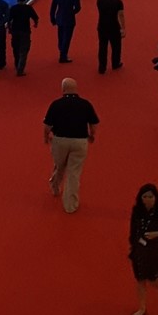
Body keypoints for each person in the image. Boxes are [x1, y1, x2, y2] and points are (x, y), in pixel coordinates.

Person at [43, 77, 99, 214]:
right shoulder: (85, 104)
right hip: (79, 142)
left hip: (60, 140)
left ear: (63, 89)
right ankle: (70, 205)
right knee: (74, 173)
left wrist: (46, 137)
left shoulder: (56, 104)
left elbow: (47, 125)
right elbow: (93, 123)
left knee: (59, 165)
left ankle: (55, 186)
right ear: (76, 89)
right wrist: (92, 135)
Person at [127, 184, 158, 315]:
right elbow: (133, 230)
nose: (147, 199)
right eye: (145, 197)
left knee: (153, 280)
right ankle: (142, 308)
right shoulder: (137, 211)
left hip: (155, 251)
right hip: (140, 251)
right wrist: (133, 246)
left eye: (150, 197)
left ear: (156, 197)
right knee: (140, 280)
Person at [49, 0, 81, 64]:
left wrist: (52, 18)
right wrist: (72, 12)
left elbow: (53, 7)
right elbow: (78, 8)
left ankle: (61, 49)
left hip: (59, 17)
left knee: (60, 35)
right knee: (67, 37)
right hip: (70, 18)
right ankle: (63, 54)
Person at [96, 0, 125, 74]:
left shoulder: (99, 1)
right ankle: (115, 63)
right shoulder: (118, 2)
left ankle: (102, 67)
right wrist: (123, 28)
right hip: (114, 27)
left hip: (102, 26)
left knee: (102, 47)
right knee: (116, 46)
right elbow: (121, 15)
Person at [8, 0, 39, 76]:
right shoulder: (28, 8)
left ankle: (17, 64)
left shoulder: (13, 8)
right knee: (24, 50)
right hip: (25, 31)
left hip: (15, 31)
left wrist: (9, 29)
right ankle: (20, 69)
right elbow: (35, 17)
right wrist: (35, 24)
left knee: (16, 49)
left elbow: (9, 20)